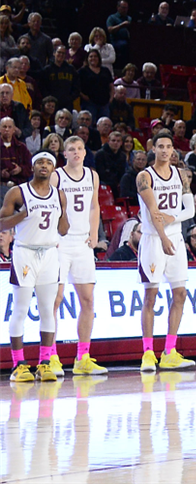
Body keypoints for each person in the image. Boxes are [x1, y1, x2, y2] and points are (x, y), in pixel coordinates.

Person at [2, 152, 69, 382]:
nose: (44, 165)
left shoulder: (59, 195)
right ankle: (18, 364)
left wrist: (63, 213)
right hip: (25, 253)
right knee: (20, 309)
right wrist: (23, 215)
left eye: (48, 162)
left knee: (48, 309)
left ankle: (45, 362)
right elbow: (2, 223)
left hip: (50, 253)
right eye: (40, 162)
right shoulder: (17, 192)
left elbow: (63, 229)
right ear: (33, 167)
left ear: (53, 168)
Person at [136, 132, 196, 373]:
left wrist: (173, 218)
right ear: (153, 149)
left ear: (173, 150)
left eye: (168, 147)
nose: (164, 151)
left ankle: (170, 352)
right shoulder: (145, 176)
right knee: (150, 296)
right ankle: (148, 353)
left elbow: (190, 210)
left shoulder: (181, 175)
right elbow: (153, 211)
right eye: (160, 146)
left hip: (176, 239)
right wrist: (162, 236)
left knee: (180, 294)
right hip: (154, 239)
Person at [48, 137, 107, 376]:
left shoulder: (92, 175)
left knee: (88, 301)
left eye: (80, 149)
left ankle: (83, 357)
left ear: (85, 152)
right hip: (61, 243)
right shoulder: (56, 176)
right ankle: (50, 356)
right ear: (65, 154)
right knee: (55, 299)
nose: (76, 153)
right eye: (71, 149)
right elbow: (49, 208)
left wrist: (94, 233)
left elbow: (95, 206)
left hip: (83, 243)